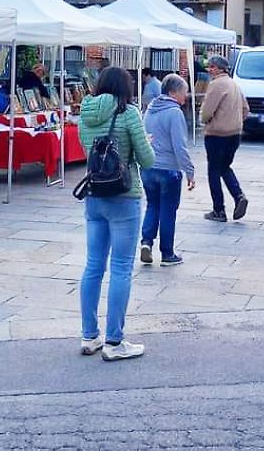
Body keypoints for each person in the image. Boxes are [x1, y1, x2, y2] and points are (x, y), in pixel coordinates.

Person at [77, 66, 156, 362]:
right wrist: (146, 144)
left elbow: (86, 149)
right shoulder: (129, 112)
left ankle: (89, 335)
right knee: (121, 267)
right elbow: (147, 160)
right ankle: (114, 341)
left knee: (93, 265)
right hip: (124, 196)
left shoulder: (85, 113)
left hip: (95, 195)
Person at [141, 73, 196, 265]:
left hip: (148, 167)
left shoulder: (149, 110)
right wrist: (189, 171)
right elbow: (179, 146)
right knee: (168, 210)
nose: (186, 96)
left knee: (152, 205)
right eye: (184, 92)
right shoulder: (174, 113)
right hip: (168, 169)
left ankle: (146, 242)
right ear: (173, 93)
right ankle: (167, 253)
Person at [200, 54, 250, 223]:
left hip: (217, 135)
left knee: (213, 171)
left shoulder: (216, 85)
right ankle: (238, 195)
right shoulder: (234, 84)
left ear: (219, 69)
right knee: (225, 167)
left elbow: (206, 112)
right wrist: (235, 121)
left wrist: (206, 121)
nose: (209, 70)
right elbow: (245, 109)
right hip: (234, 134)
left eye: (212, 67)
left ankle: (219, 210)